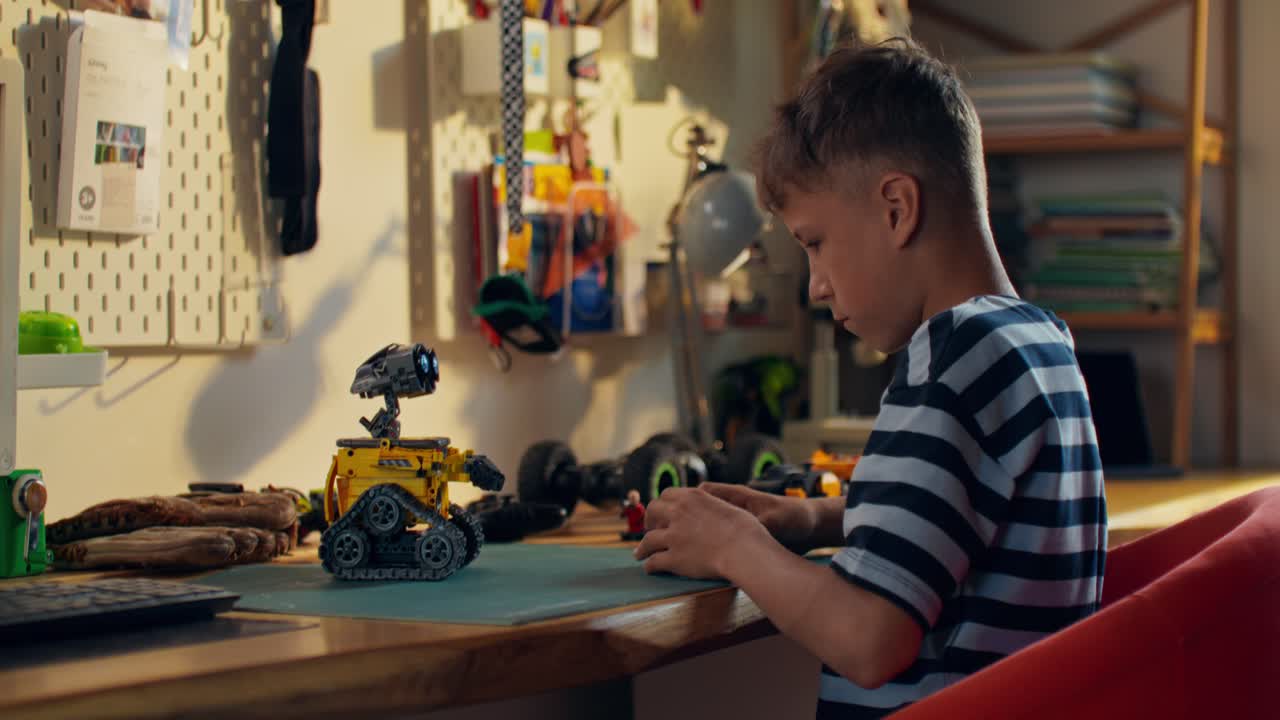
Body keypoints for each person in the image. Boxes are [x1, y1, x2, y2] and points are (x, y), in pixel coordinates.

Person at [634, 38, 1106, 718]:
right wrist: (814, 518)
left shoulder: (950, 356)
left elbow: (869, 640)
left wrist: (734, 546)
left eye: (814, 242)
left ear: (895, 209)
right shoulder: (1037, 339)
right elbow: (971, 522)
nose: (816, 286)